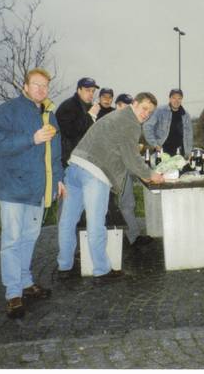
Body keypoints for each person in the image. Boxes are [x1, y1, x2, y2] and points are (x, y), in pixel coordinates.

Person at [56, 92, 165, 281]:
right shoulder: (130, 122)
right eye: (144, 108)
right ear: (134, 104)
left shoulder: (115, 116)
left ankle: (64, 266)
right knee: (96, 223)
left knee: (68, 221)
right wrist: (151, 176)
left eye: (150, 112)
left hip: (74, 167)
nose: (146, 114)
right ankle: (101, 270)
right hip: (95, 172)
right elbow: (132, 159)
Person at [0, 67, 66, 319]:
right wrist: (32, 138)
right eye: (36, 85)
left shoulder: (49, 114)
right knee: (12, 240)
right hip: (12, 187)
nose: (42, 90)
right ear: (25, 87)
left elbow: (55, 153)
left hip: (37, 189)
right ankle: (13, 293)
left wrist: (58, 179)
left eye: (45, 85)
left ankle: (25, 281)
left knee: (30, 237)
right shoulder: (7, 110)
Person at [114, 93, 154, 247]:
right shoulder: (113, 121)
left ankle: (132, 236)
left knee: (127, 203)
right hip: (112, 170)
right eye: (124, 106)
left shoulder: (131, 123)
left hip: (124, 169)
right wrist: (145, 174)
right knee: (119, 205)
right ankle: (126, 238)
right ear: (117, 106)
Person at [55, 77, 100, 168]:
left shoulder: (91, 107)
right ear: (79, 90)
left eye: (93, 91)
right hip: (67, 160)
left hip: (84, 159)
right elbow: (70, 132)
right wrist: (90, 116)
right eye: (87, 90)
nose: (91, 94)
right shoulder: (68, 106)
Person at [143, 88, 193, 157]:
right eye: (174, 98)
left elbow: (189, 136)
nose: (176, 101)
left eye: (179, 98)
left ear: (181, 100)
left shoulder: (185, 115)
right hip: (162, 152)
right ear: (169, 99)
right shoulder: (160, 111)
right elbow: (147, 126)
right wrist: (155, 144)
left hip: (180, 153)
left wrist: (189, 153)